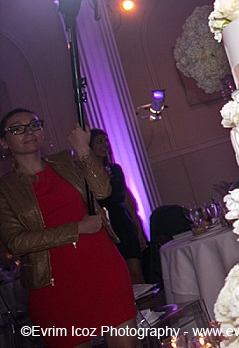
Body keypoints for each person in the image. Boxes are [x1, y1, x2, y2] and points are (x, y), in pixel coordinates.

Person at [0, 109, 139, 348]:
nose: (28, 132)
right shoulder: (5, 189)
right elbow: (16, 242)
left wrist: (84, 151)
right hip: (53, 286)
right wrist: (77, 228)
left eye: (34, 125)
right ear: (4, 143)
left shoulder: (66, 162)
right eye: (17, 129)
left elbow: (103, 192)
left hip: (103, 268)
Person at [90, 129, 148, 284]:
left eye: (106, 141)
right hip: (105, 224)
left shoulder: (116, 169)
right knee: (119, 276)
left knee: (137, 271)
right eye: (100, 142)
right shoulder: (87, 175)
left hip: (123, 221)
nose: (105, 145)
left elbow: (128, 201)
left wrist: (139, 229)